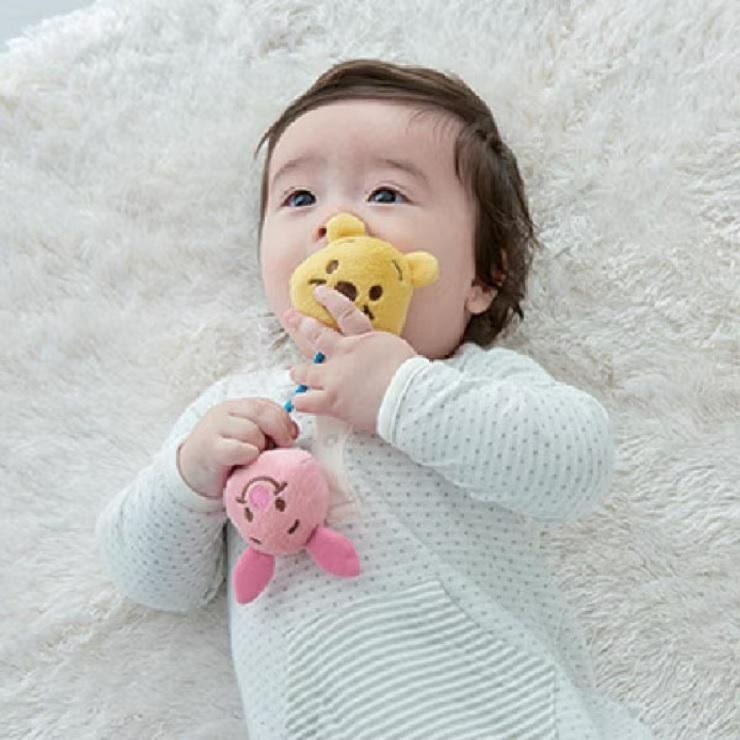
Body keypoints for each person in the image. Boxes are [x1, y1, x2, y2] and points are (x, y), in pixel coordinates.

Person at [96, 59, 653, 739]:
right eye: (300, 197)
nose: (337, 222)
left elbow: (575, 467)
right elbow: (154, 581)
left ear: (483, 275)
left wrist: (402, 392)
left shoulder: (476, 383)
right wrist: (189, 478)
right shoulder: (238, 408)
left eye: (387, 193)